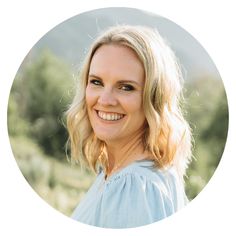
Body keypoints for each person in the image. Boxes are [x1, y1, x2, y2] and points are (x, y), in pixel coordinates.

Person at [66, 25, 192, 228]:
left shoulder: (136, 188)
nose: (105, 100)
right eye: (96, 82)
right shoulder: (121, 175)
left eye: (126, 87)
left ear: (154, 98)